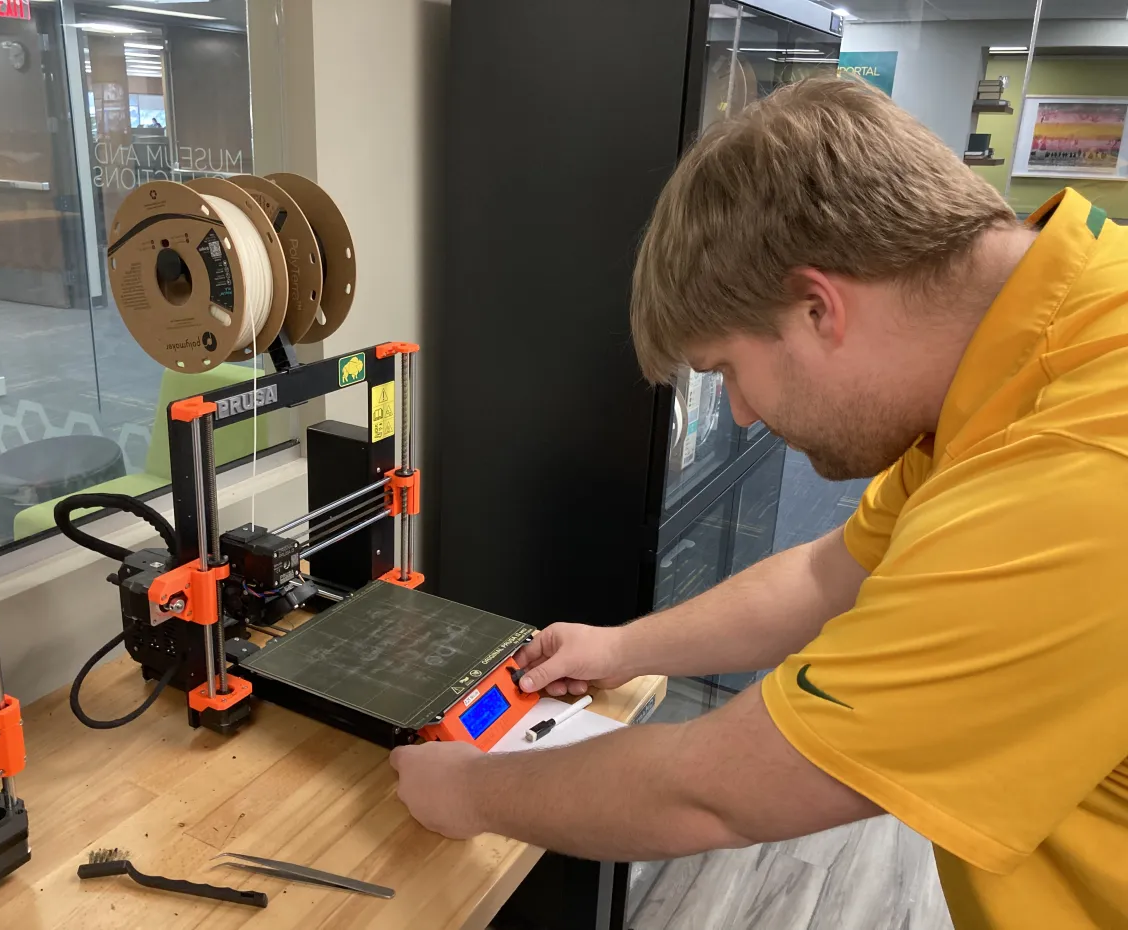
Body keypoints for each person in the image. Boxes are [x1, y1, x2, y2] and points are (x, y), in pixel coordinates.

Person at [391, 75, 1128, 929]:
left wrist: (474, 791)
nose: (739, 412)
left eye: (727, 369)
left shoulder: (1077, 467)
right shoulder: (1040, 342)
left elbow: (722, 794)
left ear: (819, 307)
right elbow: (828, 574)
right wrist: (625, 647)